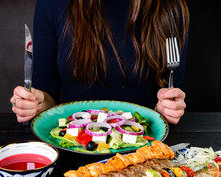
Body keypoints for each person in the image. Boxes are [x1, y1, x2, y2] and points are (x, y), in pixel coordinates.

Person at [10, 0, 189, 124]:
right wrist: (35, 103)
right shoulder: (52, 4)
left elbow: (172, 90)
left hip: (147, 139)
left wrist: (168, 108)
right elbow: (47, 94)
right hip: (75, 138)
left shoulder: (170, 6)